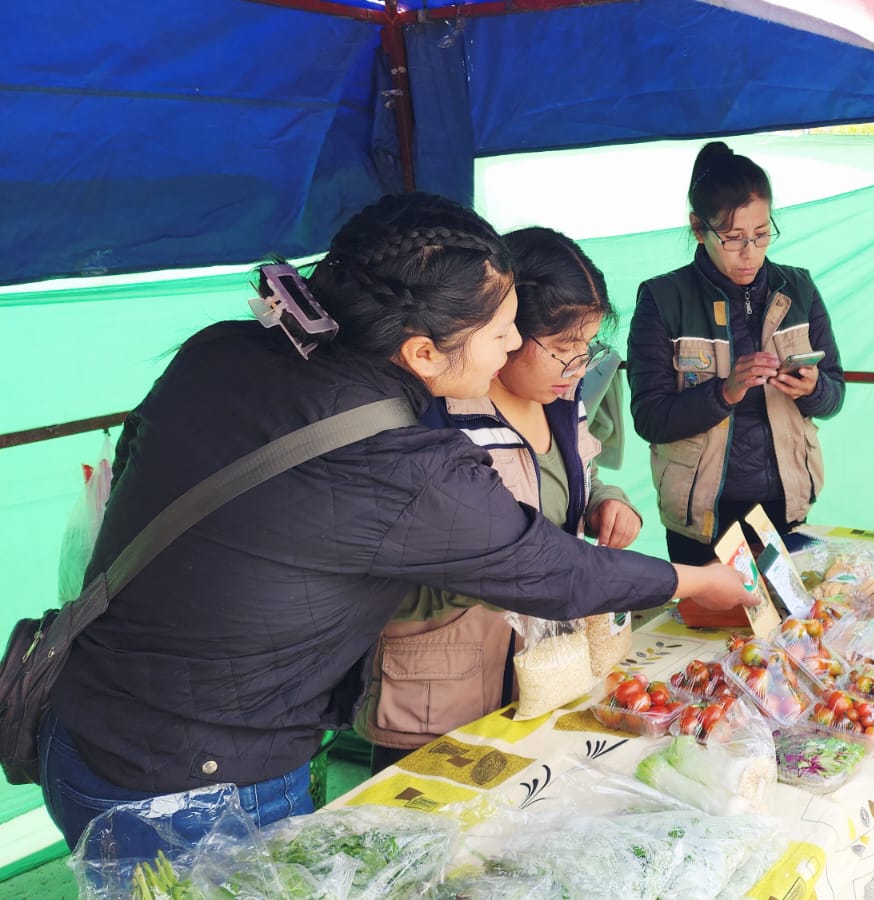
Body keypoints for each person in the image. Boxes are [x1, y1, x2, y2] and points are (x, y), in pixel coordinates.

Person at [39, 193, 751, 849]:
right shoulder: (401, 461)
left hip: (83, 720)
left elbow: (134, 465)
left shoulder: (224, 346)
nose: (513, 346)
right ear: (422, 352)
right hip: (194, 780)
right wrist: (696, 581)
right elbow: (553, 570)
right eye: (502, 332)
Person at [359, 226, 646, 772]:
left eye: (587, 349)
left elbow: (579, 475)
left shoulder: (562, 400)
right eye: (563, 349)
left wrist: (608, 501)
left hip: (543, 672)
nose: (578, 367)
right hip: (443, 690)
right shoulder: (440, 417)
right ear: (508, 330)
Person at [628, 141, 845, 563]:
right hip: (703, 516)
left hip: (785, 505)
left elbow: (835, 393)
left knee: (787, 607)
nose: (750, 254)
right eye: (732, 238)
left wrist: (813, 389)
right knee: (710, 609)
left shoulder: (798, 288)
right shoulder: (663, 299)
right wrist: (724, 392)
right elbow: (650, 418)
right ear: (698, 228)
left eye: (761, 234)